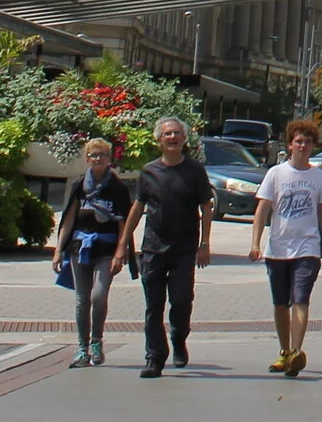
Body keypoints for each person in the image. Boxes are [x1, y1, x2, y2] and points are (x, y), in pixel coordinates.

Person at [115, 116, 212, 379]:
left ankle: (179, 338)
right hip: (153, 249)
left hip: (184, 249)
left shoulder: (195, 171)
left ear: (184, 139)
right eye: (167, 134)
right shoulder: (149, 172)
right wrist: (123, 244)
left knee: (181, 301)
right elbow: (138, 208)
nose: (172, 138)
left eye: (177, 133)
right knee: (153, 306)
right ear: (159, 140)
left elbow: (206, 206)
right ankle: (154, 357)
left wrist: (205, 243)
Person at [251, 117, 322, 374]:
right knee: (281, 303)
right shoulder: (275, 174)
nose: (303, 146)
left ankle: (297, 352)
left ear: (313, 146)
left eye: (308, 142)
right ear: (290, 145)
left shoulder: (319, 177)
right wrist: (255, 243)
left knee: (300, 298)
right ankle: (285, 350)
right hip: (278, 247)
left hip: (308, 248)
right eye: (298, 141)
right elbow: (262, 210)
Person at [54, 136, 133, 368]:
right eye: (94, 155)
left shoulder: (117, 187)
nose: (98, 158)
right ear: (87, 158)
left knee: (98, 296)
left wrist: (121, 251)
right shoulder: (79, 185)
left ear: (110, 159)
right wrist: (59, 249)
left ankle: (97, 342)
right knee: (81, 299)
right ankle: (82, 348)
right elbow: (68, 218)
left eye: (102, 155)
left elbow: (123, 222)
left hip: (107, 249)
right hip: (80, 248)